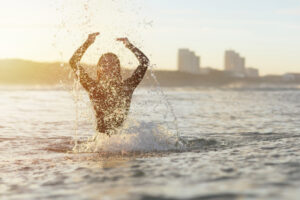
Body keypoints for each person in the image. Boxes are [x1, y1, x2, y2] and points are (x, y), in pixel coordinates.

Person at [69, 32, 149, 136]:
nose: (109, 67)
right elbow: (73, 62)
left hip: (122, 144)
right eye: (105, 64)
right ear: (99, 68)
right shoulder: (93, 87)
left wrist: (129, 46)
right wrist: (87, 43)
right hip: (101, 144)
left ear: (117, 68)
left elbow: (144, 62)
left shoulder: (127, 86)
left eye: (112, 64)